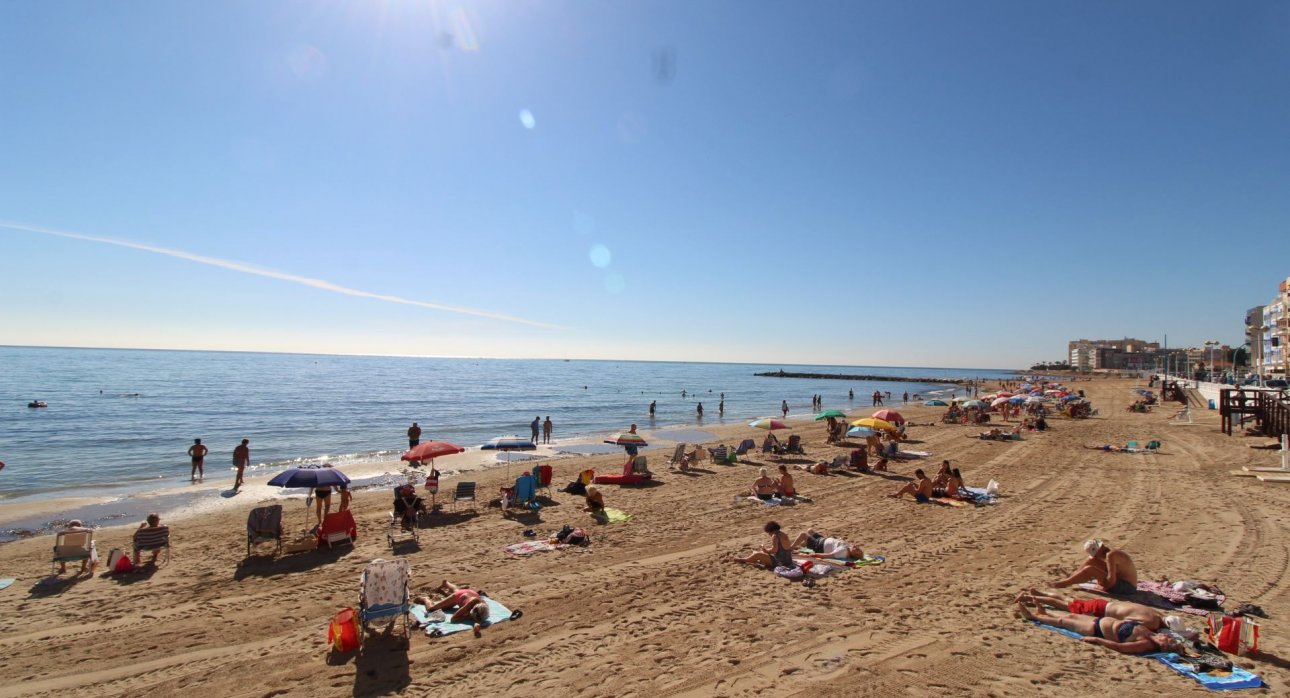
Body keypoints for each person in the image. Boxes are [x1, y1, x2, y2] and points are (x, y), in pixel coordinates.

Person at [1015, 597, 1181, 655]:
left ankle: (1033, 617)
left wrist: (1096, 640)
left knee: (1063, 622)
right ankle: (1044, 612)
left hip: (1097, 630)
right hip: (1100, 621)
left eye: (1167, 639)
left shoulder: (1145, 643)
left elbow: (1120, 647)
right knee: (1071, 615)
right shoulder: (1150, 631)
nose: (1165, 635)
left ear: (1163, 645)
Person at [1016, 589, 1172, 631]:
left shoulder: (1155, 613)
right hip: (1100, 611)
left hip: (1105, 604)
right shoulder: (1152, 622)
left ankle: (1039, 593)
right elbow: (1129, 624)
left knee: (1069, 600)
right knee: (1063, 605)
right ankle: (1029, 598)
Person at [1052, 539, 1138, 593]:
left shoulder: (1110, 556)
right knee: (1090, 561)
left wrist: (1102, 584)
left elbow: (1111, 582)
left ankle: (1065, 583)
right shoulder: (1110, 553)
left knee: (1090, 569)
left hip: (1127, 587)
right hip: (1123, 581)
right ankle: (1073, 577)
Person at [417, 581, 490, 637]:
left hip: (470, 593)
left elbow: (478, 617)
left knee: (456, 590)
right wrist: (468, 616)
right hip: (459, 596)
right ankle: (425, 599)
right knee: (431, 609)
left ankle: (446, 583)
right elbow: (453, 619)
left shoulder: (483, 607)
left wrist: (477, 624)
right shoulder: (470, 604)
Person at [791, 529, 865, 561]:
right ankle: (805, 544)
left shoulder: (843, 551)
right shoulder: (848, 548)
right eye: (858, 548)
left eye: (857, 549)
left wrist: (814, 554)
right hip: (822, 539)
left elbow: (829, 555)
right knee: (810, 530)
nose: (856, 546)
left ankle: (790, 548)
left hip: (819, 545)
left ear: (853, 554)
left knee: (803, 534)